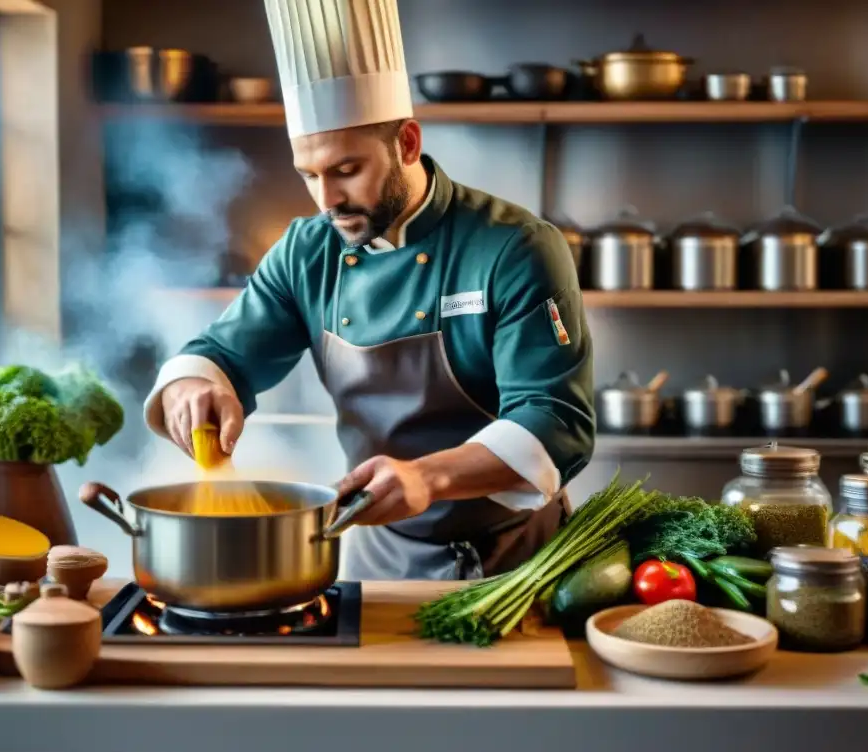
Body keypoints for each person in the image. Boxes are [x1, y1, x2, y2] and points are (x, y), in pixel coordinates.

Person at [143, 0, 596, 581]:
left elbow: (555, 418)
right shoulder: (308, 250)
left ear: (407, 142)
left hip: (517, 559)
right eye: (309, 175)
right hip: (380, 555)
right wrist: (191, 383)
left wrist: (426, 477)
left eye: (346, 169)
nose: (326, 199)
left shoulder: (515, 247)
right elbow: (226, 354)